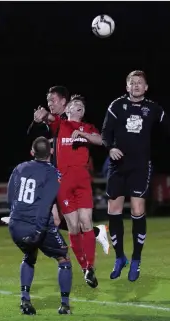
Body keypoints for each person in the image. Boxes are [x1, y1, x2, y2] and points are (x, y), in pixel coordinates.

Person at [101, 70, 170, 282]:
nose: (136, 85)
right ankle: (120, 257)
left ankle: (136, 260)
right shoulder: (116, 106)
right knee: (114, 210)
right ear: (127, 86)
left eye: (140, 82)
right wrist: (110, 147)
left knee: (138, 209)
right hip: (118, 166)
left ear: (146, 87)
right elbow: (105, 132)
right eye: (132, 82)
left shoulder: (153, 108)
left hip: (140, 166)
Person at [28, 85, 110, 254]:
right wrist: (39, 119)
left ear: (64, 102)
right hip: (54, 175)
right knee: (57, 219)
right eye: (48, 100)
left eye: (53, 100)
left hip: (66, 177)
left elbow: (96, 140)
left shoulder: (68, 123)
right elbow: (39, 130)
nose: (49, 103)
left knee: (60, 220)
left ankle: (36, 249)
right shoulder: (57, 122)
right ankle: (93, 234)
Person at [34, 95, 103, 288]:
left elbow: (101, 140)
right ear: (67, 110)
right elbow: (49, 118)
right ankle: (84, 268)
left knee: (87, 222)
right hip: (63, 183)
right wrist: (43, 114)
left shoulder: (88, 128)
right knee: (73, 227)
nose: (78, 106)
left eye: (81, 105)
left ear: (83, 111)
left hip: (82, 181)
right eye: (74, 104)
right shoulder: (61, 125)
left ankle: (90, 266)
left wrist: (85, 136)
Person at [8, 137, 72, 315]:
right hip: (36, 225)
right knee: (64, 259)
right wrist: (38, 230)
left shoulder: (19, 168)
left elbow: (10, 195)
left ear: (32, 152)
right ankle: (65, 305)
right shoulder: (52, 173)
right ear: (51, 152)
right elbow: (45, 205)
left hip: (15, 224)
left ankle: (25, 300)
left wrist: (14, 216)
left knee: (29, 255)